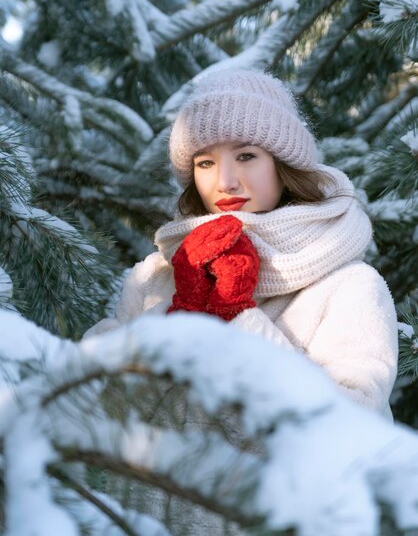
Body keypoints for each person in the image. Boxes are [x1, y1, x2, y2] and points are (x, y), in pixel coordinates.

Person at [84, 68, 398, 421]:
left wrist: (237, 317)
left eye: (246, 156)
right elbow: (91, 409)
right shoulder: (156, 277)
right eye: (205, 162)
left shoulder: (350, 285)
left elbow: (352, 422)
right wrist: (179, 314)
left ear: (284, 165)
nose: (225, 181)